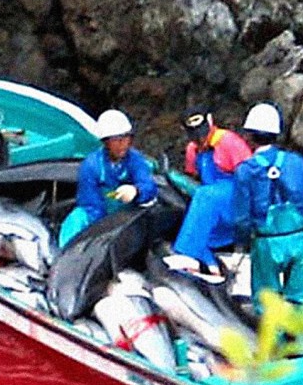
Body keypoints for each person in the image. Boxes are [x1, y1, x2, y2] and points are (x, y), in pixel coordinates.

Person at [232, 102, 303, 311]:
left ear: (248, 136)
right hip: (299, 240)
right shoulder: (295, 162)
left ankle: (273, 341)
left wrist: (240, 246)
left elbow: (241, 217)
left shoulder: (245, 171)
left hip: (267, 245)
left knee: (268, 302)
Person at [168, 106, 252, 274]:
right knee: (196, 230)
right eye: (194, 134)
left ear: (210, 121)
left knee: (205, 195)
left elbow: (251, 179)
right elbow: (194, 178)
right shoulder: (192, 150)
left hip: (237, 203)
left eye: (202, 131)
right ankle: (212, 268)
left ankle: (185, 256)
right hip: (216, 211)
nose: (200, 137)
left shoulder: (229, 142)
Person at [58, 109, 158, 247]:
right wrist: (104, 230)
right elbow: (90, 203)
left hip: (128, 215)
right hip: (100, 216)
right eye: (117, 140)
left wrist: (137, 191)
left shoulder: (136, 160)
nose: (123, 144)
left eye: (126, 138)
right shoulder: (91, 165)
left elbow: (149, 186)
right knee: (77, 218)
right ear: (105, 142)